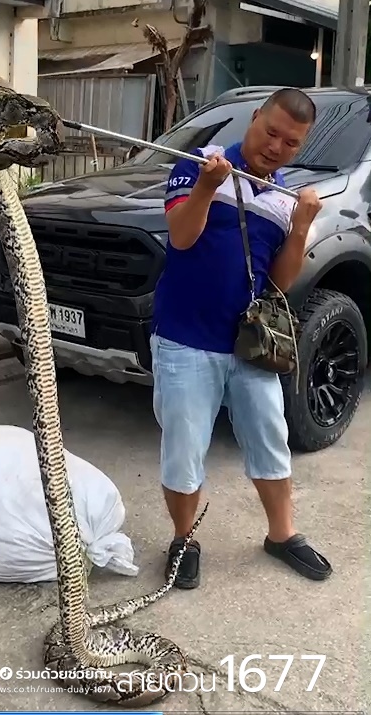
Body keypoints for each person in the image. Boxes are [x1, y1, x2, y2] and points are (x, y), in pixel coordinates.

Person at [151, 87, 332, 589]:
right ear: (255, 118)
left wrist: (301, 226)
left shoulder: (284, 196)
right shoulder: (198, 164)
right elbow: (181, 237)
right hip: (186, 337)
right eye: (271, 132)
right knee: (185, 447)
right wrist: (208, 189)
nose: (276, 147)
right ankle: (184, 539)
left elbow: (279, 281)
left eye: (291, 143)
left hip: (251, 344)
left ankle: (282, 534)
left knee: (270, 436)